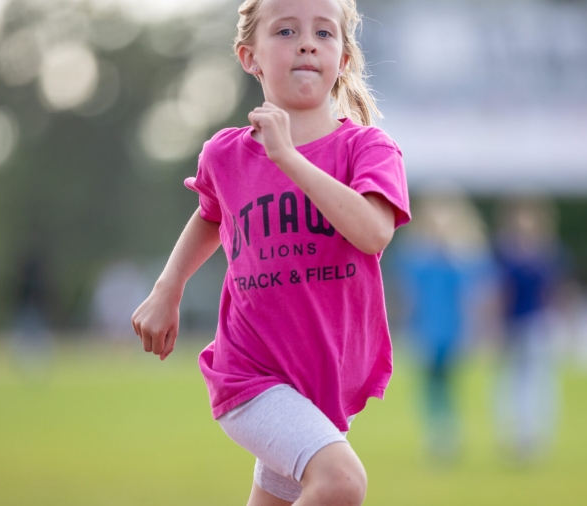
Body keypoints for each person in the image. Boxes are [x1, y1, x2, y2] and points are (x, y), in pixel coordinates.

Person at [131, 0, 410, 504]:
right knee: (341, 481)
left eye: (324, 33)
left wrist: (287, 156)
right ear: (249, 57)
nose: (306, 42)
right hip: (251, 374)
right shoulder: (226, 153)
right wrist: (166, 288)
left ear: (343, 58)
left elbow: (373, 231)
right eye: (285, 31)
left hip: (319, 385)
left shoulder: (368, 149)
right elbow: (211, 216)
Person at [395, 190, 490, 461]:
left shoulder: (464, 256)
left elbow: (474, 294)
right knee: (430, 386)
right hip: (426, 330)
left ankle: (448, 434)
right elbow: (408, 293)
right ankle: (436, 434)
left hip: (453, 331)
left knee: (448, 385)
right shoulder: (417, 255)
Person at [493, 197, 567, 464]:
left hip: (537, 323)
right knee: (511, 382)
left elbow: (554, 292)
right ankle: (514, 434)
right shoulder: (506, 254)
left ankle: (535, 435)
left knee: (538, 381)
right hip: (512, 325)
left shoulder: (547, 254)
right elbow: (501, 293)